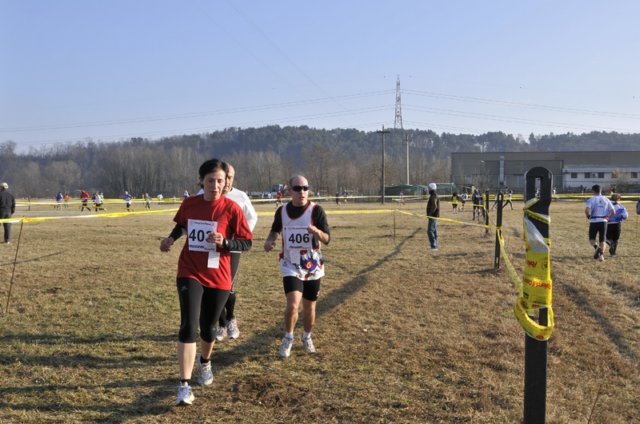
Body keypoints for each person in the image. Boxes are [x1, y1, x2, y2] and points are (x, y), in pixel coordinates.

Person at [159, 159, 252, 406]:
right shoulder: (190, 204)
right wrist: (170, 239)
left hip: (218, 274)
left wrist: (225, 242)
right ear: (201, 180)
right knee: (189, 325)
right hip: (190, 270)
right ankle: (184, 386)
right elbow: (181, 225)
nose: (216, 185)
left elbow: (246, 242)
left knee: (208, 328)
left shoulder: (232, 208)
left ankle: (205, 362)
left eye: (220, 181)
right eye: (211, 180)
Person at [264, 175, 331, 359]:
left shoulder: (316, 210)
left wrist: (317, 232)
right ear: (289, 191)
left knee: (309, 307)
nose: (302, 192)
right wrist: (270, 241)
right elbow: (275, 230)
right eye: (297, 188)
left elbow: (327, 239)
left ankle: (307, 336)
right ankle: (288, 337)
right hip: (290, 264)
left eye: (305, 188)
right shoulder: (282, 211)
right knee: (293, 305)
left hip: (312, 266)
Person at [214, 164, 258, 342]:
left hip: (232, 248)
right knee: (214, 287)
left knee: (228, 286)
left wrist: (241, 236)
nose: (227, 181)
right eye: (224, 177)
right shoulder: (207, 193)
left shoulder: (240, 196)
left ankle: (230, 318)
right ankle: (221, 324)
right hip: (211, 249)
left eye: (230, 177)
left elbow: (252, 217)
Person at [585, 184, 615, 262]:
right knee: (603, 240)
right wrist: (608, 217)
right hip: (604, 221)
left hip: (594, 221)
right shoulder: (606, 199)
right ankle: (601, 256)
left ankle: (597, 248)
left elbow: (587, 210)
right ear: (601, 190)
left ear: (593, 191)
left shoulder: (591, 199)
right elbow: (613, 212)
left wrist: (588, 216)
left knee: (592, 238)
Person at [426, 182, 440, 250]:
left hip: (433, 216)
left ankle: (433, 246)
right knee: (434, 231)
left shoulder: (433, 196)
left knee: (430, 231)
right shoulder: (434, 195)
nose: (428, 190)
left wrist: (430, 214)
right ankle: (435, 245)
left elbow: (434, 206)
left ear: (431, 189)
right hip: (434, 216)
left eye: (429, 188)